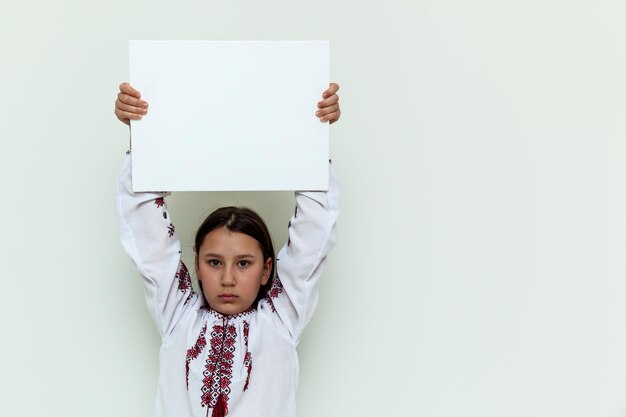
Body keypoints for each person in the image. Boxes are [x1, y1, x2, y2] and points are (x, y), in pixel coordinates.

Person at [114, 82, 341, 417]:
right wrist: (141, 131)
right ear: (196, 265)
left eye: (244, 263)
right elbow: (146, 231)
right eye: (215, 262)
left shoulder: (281, 322)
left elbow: (314, 231)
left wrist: (314, 132)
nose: (228, 278)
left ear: (267, 270)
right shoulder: (178, 318)